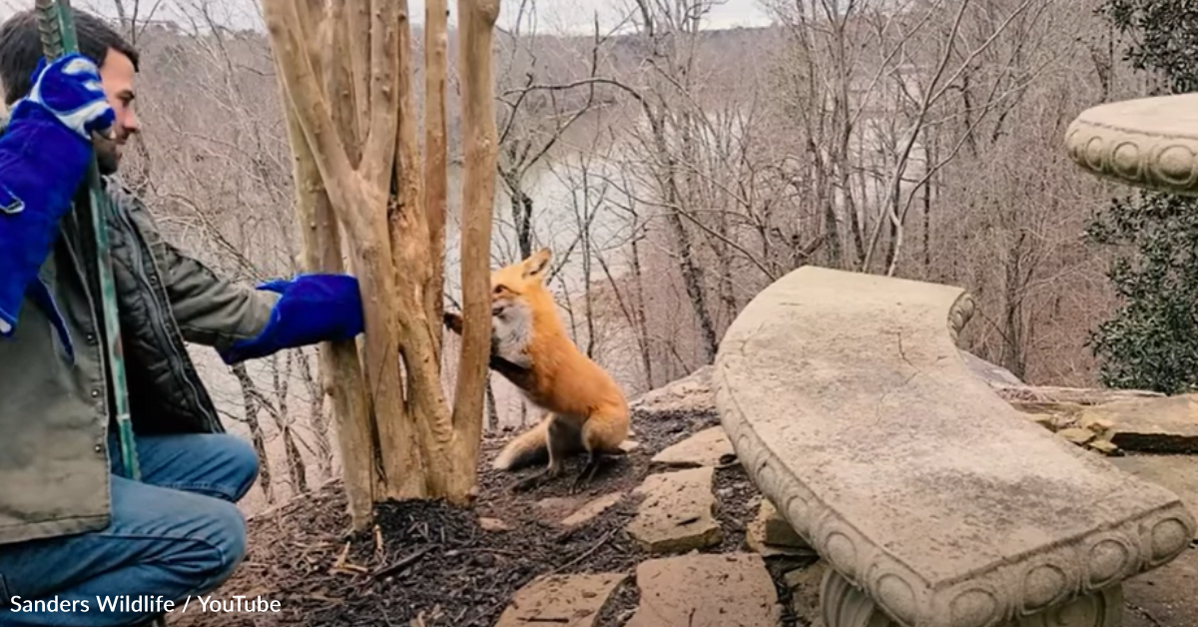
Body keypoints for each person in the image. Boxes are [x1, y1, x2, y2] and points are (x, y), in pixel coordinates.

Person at [0, 8, 364, 627]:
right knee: (212, 536)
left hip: (48, 458)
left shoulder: (98, 213)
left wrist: (327, 306)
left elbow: (198, 296)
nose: (135, 122)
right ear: (63, 94)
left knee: (227, 462)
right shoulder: (20, 183)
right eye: (121, 101)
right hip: (12, 496)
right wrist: (38, 147)